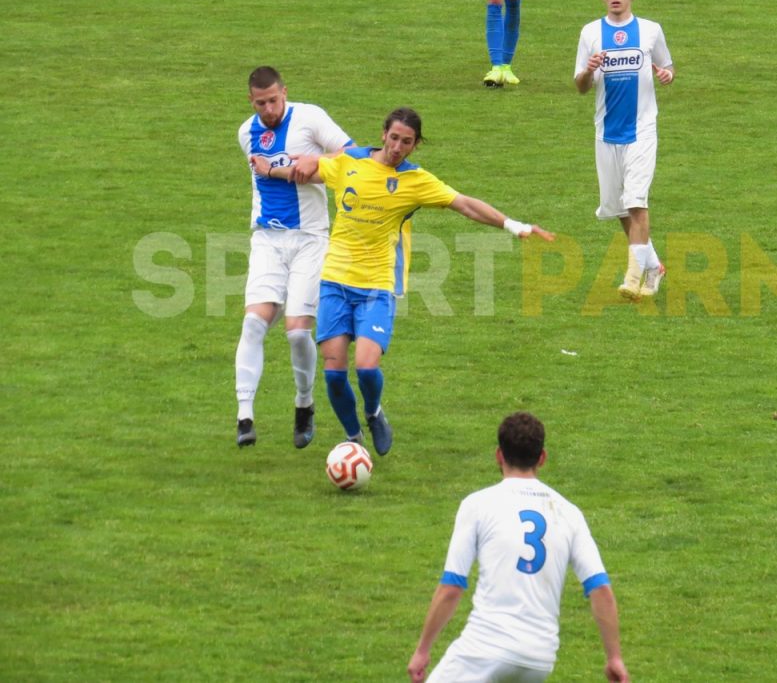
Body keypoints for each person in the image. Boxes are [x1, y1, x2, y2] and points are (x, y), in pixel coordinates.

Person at [251, 108, 554, 456]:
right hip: (334, 281)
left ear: (415, 145)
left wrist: (516, 227)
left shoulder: (415, 181)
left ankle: (373, 412)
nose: (397, 147)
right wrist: (272, 169)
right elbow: (308, 172)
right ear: (383, 135)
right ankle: (353, 439)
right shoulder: (350, 162)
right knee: (334, 373)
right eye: (393, 138)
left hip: (376, 286)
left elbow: (465, 205)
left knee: (366, 367)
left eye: (406, 142)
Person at [407, 412, 630, 683]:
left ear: (499, 455)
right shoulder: (569, 513)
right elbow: (601, 590)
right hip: (539, 658)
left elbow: (452, 587)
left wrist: (422, 650)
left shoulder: (478, 505)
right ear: (542, 458)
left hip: (486, 648)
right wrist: (614, 658)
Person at [235, 66, 354, 448]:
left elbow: (353, 156)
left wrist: (315, 164)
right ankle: (244, 417)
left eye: (273, 100)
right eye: (260, 103)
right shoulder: (245, 133)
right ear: (250, 101)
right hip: (267, 239)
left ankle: (304, 404)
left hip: (310, 239)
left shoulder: (311, 118)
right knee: (253, 325)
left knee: (298, 331)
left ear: (285, 92)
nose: (268, 109)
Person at [574, 0, 675, 301]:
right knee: (618, 208)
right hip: (606, 133)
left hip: (642, 131)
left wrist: (666, 76)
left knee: (635, 201)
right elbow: (580, 87)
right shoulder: (590, 33)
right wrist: (588, 70)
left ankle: (636, 275)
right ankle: (653, 265)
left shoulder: (650, 30)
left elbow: (667, 66)